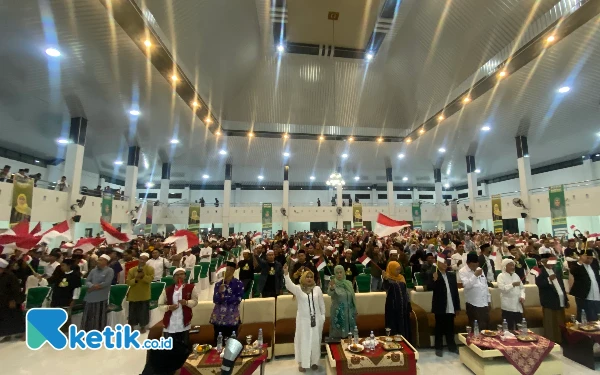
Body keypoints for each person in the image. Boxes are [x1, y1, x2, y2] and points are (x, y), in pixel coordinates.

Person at [283, 264, 325, 372]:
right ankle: (302, 363)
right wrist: (286, 274)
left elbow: (321, 304)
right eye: (307, 277)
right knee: (303, 341)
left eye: (311, 277)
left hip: (316, 320)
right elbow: (288, 285)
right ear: (303, 278)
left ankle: (314, 362)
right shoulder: (298, 289)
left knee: (316, 341)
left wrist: (322, 317)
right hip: (303, 321)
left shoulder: (317, 289)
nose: (309, 279)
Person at [158, 268, 199, 354]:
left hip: (184, 322)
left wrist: (186, 302)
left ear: (185, 276)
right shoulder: (167, 290)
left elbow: (195, 302)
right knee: (169, 349)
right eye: (177, 275)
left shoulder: (191, 287)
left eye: (182, 274)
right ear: (173, 277)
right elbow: (160, 305)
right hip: (170, 323)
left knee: (184, 348)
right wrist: (169, 307)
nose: (179, 276)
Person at [427, 254, 460, 357]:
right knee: (439, 328)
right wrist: (434, 280)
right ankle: (438, 348)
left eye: (446, 263)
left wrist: (457, 307)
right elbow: (429, 287)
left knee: (450, 327)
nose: (445, 264)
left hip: (451, 305)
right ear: (438, 264)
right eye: (443, 263)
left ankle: (452, 347)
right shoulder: (434, 274)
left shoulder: (451, 275)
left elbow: (455, 292)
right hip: (440, 306)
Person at [536, 254, 569, 343]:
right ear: (543, 262)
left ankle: (561, 342)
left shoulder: (557, 270)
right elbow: (539, 284)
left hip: (560, 300)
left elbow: (562, 286)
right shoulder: (539, 272)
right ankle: (551, 343)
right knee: (550, 324)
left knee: (560, 323)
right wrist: (548, 279)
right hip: (549, 302)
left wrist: (566, 299)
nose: (551, 263)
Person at [210, 262, 244, 344]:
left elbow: (238, 299)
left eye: (228, 270)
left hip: (231, 317)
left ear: (232, 271)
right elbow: (215, 299)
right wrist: (219, 292)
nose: (225, 272)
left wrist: (224, 297)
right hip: (218, 318)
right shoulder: (218, 284)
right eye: (225, 270)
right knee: (218, 341)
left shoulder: (238, 284)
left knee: (231, 342)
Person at [81, 254, 114, 332]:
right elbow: (87, 281)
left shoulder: (109, 270)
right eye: (98, 259)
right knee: (88, 315)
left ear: (106, 262)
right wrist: (92, 286)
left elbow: (106, 283)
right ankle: (86, 331)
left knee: (99, 316)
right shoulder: (93, 270)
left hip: (101, 297)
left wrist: (93, 288)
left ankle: (98, 332)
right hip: (90, 296)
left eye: (101, 260)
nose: (98, 261)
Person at [459, 253, 491, 330]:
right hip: (473, 303)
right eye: (473, 265)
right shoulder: (462, 271)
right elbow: (467, 285)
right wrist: (475, 275)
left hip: (484, 302)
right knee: (475, 327)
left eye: (476, 265)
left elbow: (485, 285)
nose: (475, 267)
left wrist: (488, 300)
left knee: (485, 327)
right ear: (467, 263)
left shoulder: (479, 269)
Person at [126, 252, 154, 333]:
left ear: (147, 260)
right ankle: (132, 325)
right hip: (133, 294)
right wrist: (136, 279)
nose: (142, 261)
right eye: (141, 259)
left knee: (143, 312)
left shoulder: (150, 269)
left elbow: (149, 280)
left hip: (144, 294)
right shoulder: (132, 270)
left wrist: (143, 276)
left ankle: (143, 326)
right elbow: (128, 282)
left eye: (144, 259)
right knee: (132, 311)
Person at [327, 265, 357, 339]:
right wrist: (332, 288)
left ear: (344, 273)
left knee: (350, 335)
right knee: (339, 335)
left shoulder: (348, 283)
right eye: (337, 273)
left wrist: (354, 309)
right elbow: (329, 293)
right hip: (338, 312)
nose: (339, 274)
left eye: (341, 272)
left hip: (350, 312)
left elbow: (352, 296)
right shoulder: (333, 283)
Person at [569, 249, 600, 321]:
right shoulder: (576, 265)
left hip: (596, 296)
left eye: (591, 258)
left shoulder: (594, 265)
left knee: (597, 318)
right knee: (586, 318)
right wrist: (581, 261)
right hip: (584, 296)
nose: (590, 260)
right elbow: (573, 271)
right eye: (588, 258)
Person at [382, 261, 411, 337]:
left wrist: (408, 303)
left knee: (403, 325)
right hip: (393, 307)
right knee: (393, 325)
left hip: (403, 307)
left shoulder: (401, 277)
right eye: (396, 270)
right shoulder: (387, 278)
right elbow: (386, 288)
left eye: (399, 269)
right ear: (391, 269)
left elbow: (406, 292)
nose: (398, 271)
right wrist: (385, 280)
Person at [0, 258, 25, 341]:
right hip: (2, 300)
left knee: (14, 317)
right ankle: (6, 334)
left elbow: (15, 289)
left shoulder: (10, 276)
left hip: (11, 301)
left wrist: (13, 300)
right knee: (4, 318)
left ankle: (23, 333)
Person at [496, 258, 525, 330]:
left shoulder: (516, 275)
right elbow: (502, 289)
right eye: (510, 266)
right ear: (505, 266)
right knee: (509, 328)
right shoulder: (501, 276)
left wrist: (522, 296)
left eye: (513, 265)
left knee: (520, 327)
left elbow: (522, 288)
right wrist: (513, 284)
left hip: (518, 305)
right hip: (507, 306)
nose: (512, 267)